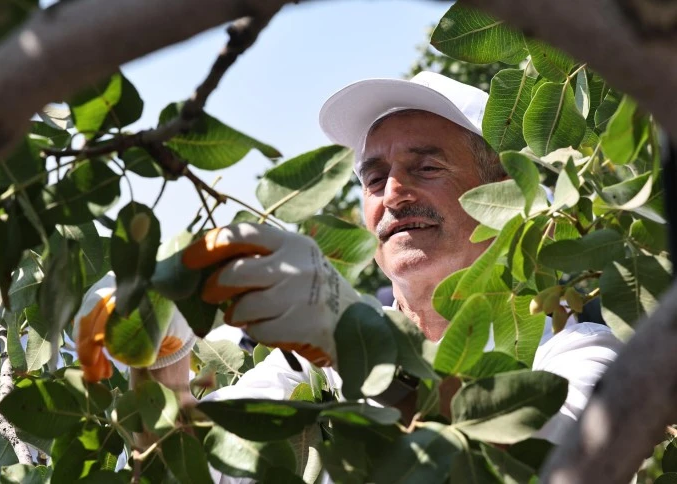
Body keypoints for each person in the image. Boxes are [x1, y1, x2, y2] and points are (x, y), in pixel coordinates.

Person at [74, 71, 622, 480]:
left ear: (504, 196)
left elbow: (552, 448)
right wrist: (162, 358)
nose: (393, 194)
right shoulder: (309, 376)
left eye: (427, 167)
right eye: (375, 177)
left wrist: (349, 342)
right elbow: (196, 469)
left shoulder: (579, 345)